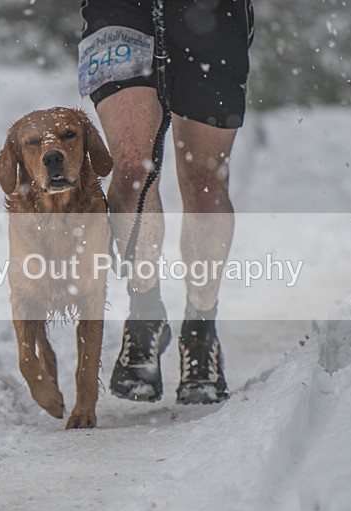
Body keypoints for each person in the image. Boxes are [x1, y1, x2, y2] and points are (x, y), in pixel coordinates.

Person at [78, 0, 254, 404]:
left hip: (213, 13)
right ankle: (145, 312)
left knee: (204, 182)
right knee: (131, 169)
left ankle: (201, 327)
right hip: (119, 9)